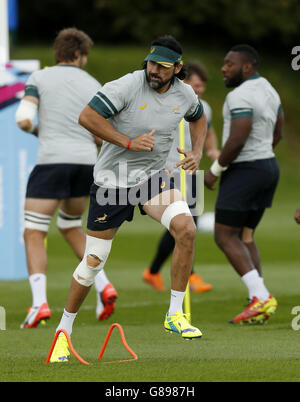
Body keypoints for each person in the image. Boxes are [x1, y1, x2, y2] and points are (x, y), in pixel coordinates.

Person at [50, 34, 208, 362]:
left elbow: (199, 117)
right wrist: (128, 141)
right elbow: (88, 117)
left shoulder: (185, 94)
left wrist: (197, 151)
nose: (154, 70)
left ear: (177, 69)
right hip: (112, 183)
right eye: (151, 63)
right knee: (93, 262)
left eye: (163, 66)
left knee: (187, 229)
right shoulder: (125, 86)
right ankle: (62, 333)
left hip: (153, 180)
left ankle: (175, 315)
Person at [15, 28, 117, 329]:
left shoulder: (39, 78)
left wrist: (38, 131)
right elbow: (102, 134)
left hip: (51, 162)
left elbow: (22, 118)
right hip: (86, 164)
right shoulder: (93, 84)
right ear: (78, 54)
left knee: (34, 232)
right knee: (70, 225)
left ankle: (38, 304)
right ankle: (104, 286)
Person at [204, 44, 283, 324]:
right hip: (268, 167)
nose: (223, 68)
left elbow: (238, 137)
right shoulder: (270, 90)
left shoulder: (239, 95)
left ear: (246, 66)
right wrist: (262, 155)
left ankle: (261, 296)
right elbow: (278, 130)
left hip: (245, 171)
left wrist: (214, 170)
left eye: (229, 64)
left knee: (224, 235)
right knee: (246, 235)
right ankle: (257, 303)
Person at [143, 61, 220, 292]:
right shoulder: (171, 103)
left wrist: (212, 150)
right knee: (184, 223)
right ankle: (190, 275)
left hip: (191, 171)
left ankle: (153, 271)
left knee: (187, 223)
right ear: (184, 82)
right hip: (169, 169)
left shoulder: (204, 107)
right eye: (196, 85)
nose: (200, 90)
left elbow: (209, 131)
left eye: (203, 86)